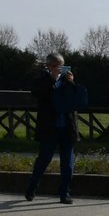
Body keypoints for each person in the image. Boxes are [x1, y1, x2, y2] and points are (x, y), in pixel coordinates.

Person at [25, 52, 82, 204]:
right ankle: (32, 187)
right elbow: (38, 93)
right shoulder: (41, 79)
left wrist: (72, 83)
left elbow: (76, 99)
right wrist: (51, 79)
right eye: (55, 66)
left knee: (68, 164)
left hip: (67, 128)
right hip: (49, 128)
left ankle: (65, 193)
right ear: (48, 66)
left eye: (61, 66)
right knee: (43, 160)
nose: (59, 69)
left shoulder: (66, 80)